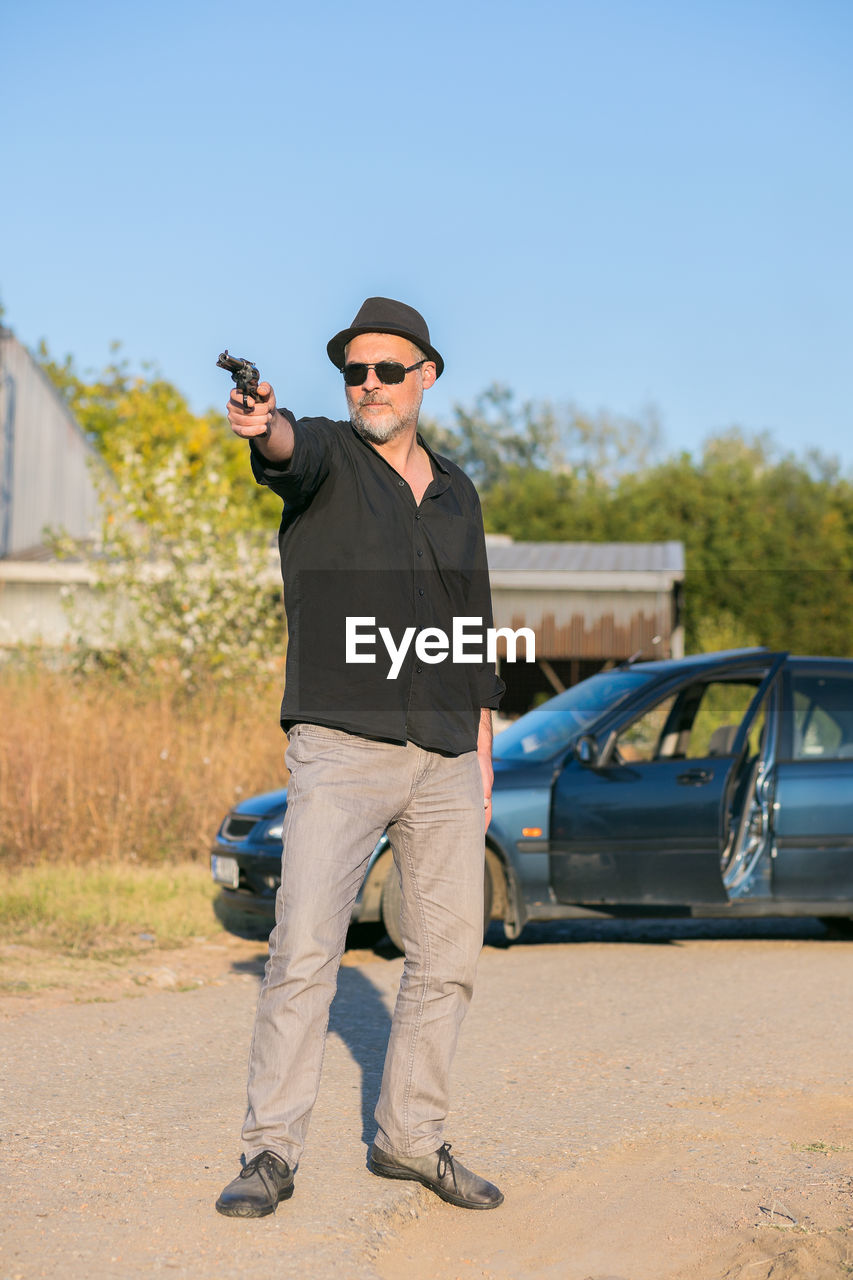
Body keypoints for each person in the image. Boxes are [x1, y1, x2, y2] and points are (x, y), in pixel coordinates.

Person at [215, 297, 505, 1218]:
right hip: (341, 749)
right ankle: (270, 1152)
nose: (369, 385)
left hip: (449, 757)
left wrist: (485, 748)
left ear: (426, 376)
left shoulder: (457, 489)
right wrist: (265, 426)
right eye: (355, 371)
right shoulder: (330, 457)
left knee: (449, 956)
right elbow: (284, 451)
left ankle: (410, 1141)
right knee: (305, 950)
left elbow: (473, 622)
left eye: (388, 369)